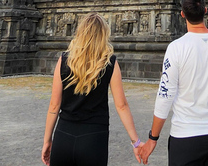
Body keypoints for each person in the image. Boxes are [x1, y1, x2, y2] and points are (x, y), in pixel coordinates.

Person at [140, 0, 208, 166]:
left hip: (185, 137)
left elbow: (165, 95)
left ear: (182, 14)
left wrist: (153, 138)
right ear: (205, 10)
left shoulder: (176, 48)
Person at [42, 13, 142, 166]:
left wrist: (47, 140)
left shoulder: (64, 60)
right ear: (103, 35)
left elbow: (54, 105)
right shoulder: (109, 63)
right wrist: (136, 142)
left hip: (64, 136)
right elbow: (121, 105)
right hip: (94, 138)